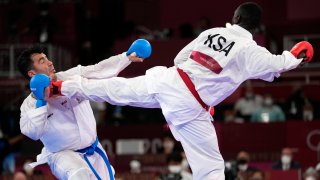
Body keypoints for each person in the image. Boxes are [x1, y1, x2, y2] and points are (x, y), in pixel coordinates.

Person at [35, 2, 313, 179]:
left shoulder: (211, 33)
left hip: (169, 80)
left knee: (115, 89)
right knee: (211, 168)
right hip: (190, 106)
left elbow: (181, 58)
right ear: (256, 26)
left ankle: (62, 85)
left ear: (236, 17)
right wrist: (301, 54)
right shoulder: (250, 49)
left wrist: (195, 90)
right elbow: (279, 64)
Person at [17, 41, 147, 180]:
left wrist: (125, 57)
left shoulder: (71, 77)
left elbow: (99, 69)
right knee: (80, 175)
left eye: (47, 58)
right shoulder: (28, 105)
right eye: (42, 61)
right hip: (62, 155)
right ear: (32, 73)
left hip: (94, 149)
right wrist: (41, 102)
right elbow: (33, 133)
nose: (50, 62)